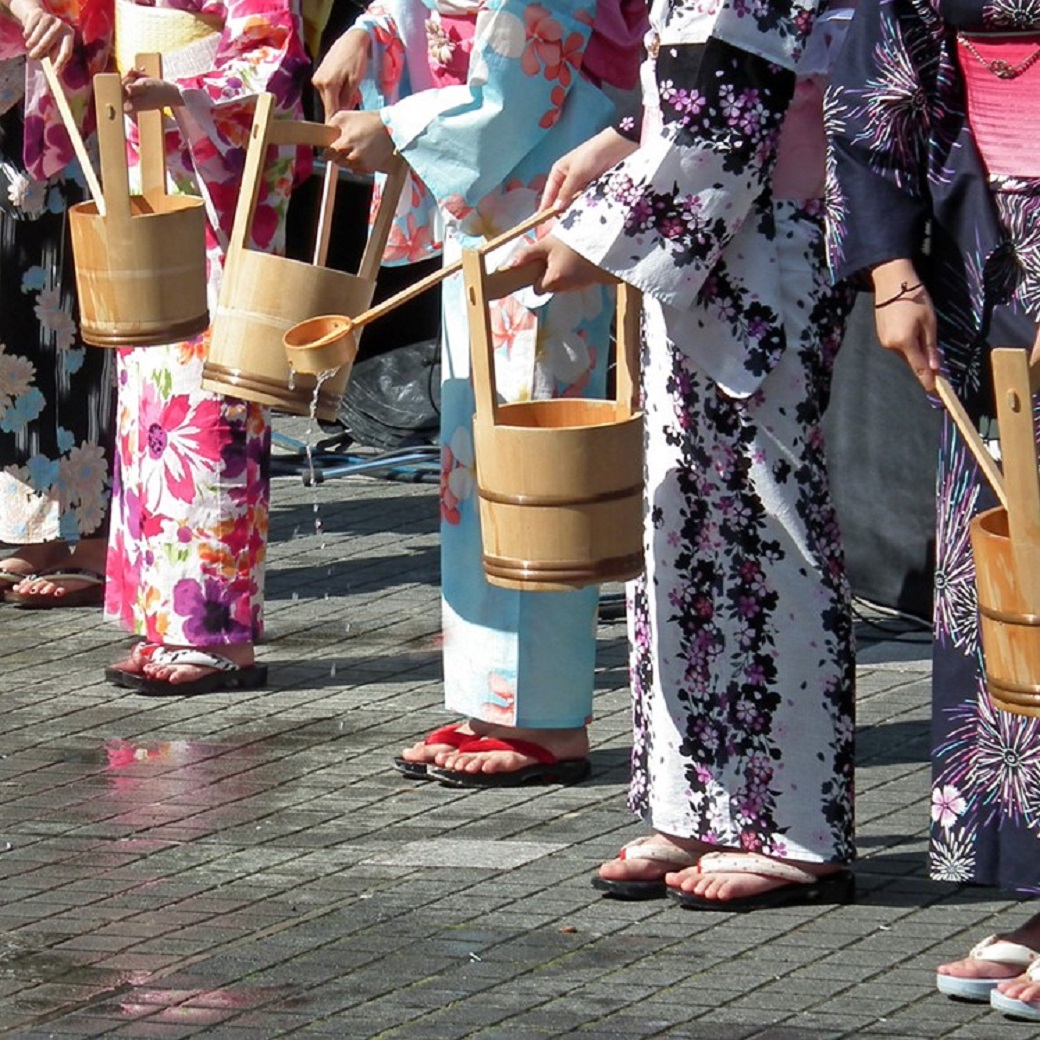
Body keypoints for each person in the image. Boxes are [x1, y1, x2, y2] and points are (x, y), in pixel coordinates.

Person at [516, 0, 858, 908]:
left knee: (765, 525)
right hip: (709, 259)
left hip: (766, 259)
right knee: (678, 517)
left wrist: (591, 238)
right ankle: (694, 801)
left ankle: (794, 825)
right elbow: (702, 88)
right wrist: (628, 134)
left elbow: (730, 122)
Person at [313, 0, 647, 785]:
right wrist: (371, 30)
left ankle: (546, 717)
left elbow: (524, 76)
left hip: (546, 176)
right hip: (494, 182)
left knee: (533, 447)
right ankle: (492, 700)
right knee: (474, 457)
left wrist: (397, 126)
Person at [827, 0, 1040, 1018]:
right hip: (984, 254)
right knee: (1002, 580)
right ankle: (1035, 882)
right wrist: (888, 262)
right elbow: (881, 71)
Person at [59, 0, 309, 695]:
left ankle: (220, 637)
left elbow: (271, 60)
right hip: (150, 160)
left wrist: (180, 93)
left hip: (212, 176)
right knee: (151, 417)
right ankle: (163, 620)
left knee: (213, 410)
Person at [0, 0, 114, 608]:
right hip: (13, 66)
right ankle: (34, 527)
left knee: (83, 308)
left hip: (84, 69)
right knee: (16, 320)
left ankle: (95, 536)